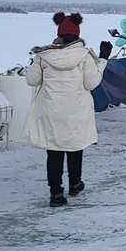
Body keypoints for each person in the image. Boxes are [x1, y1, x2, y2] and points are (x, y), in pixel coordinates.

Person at [24, 13, 111, 207]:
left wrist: (34, 65)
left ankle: (56, 193)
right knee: (75, 146)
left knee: (54, 151)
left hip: (51, 109)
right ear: (78, 33)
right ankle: (75, 183)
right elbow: (91, 83)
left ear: (59, 34)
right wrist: (103, 59)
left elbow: (31, 80)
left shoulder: (44, 56)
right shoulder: (84, 56)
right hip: (76, 109)